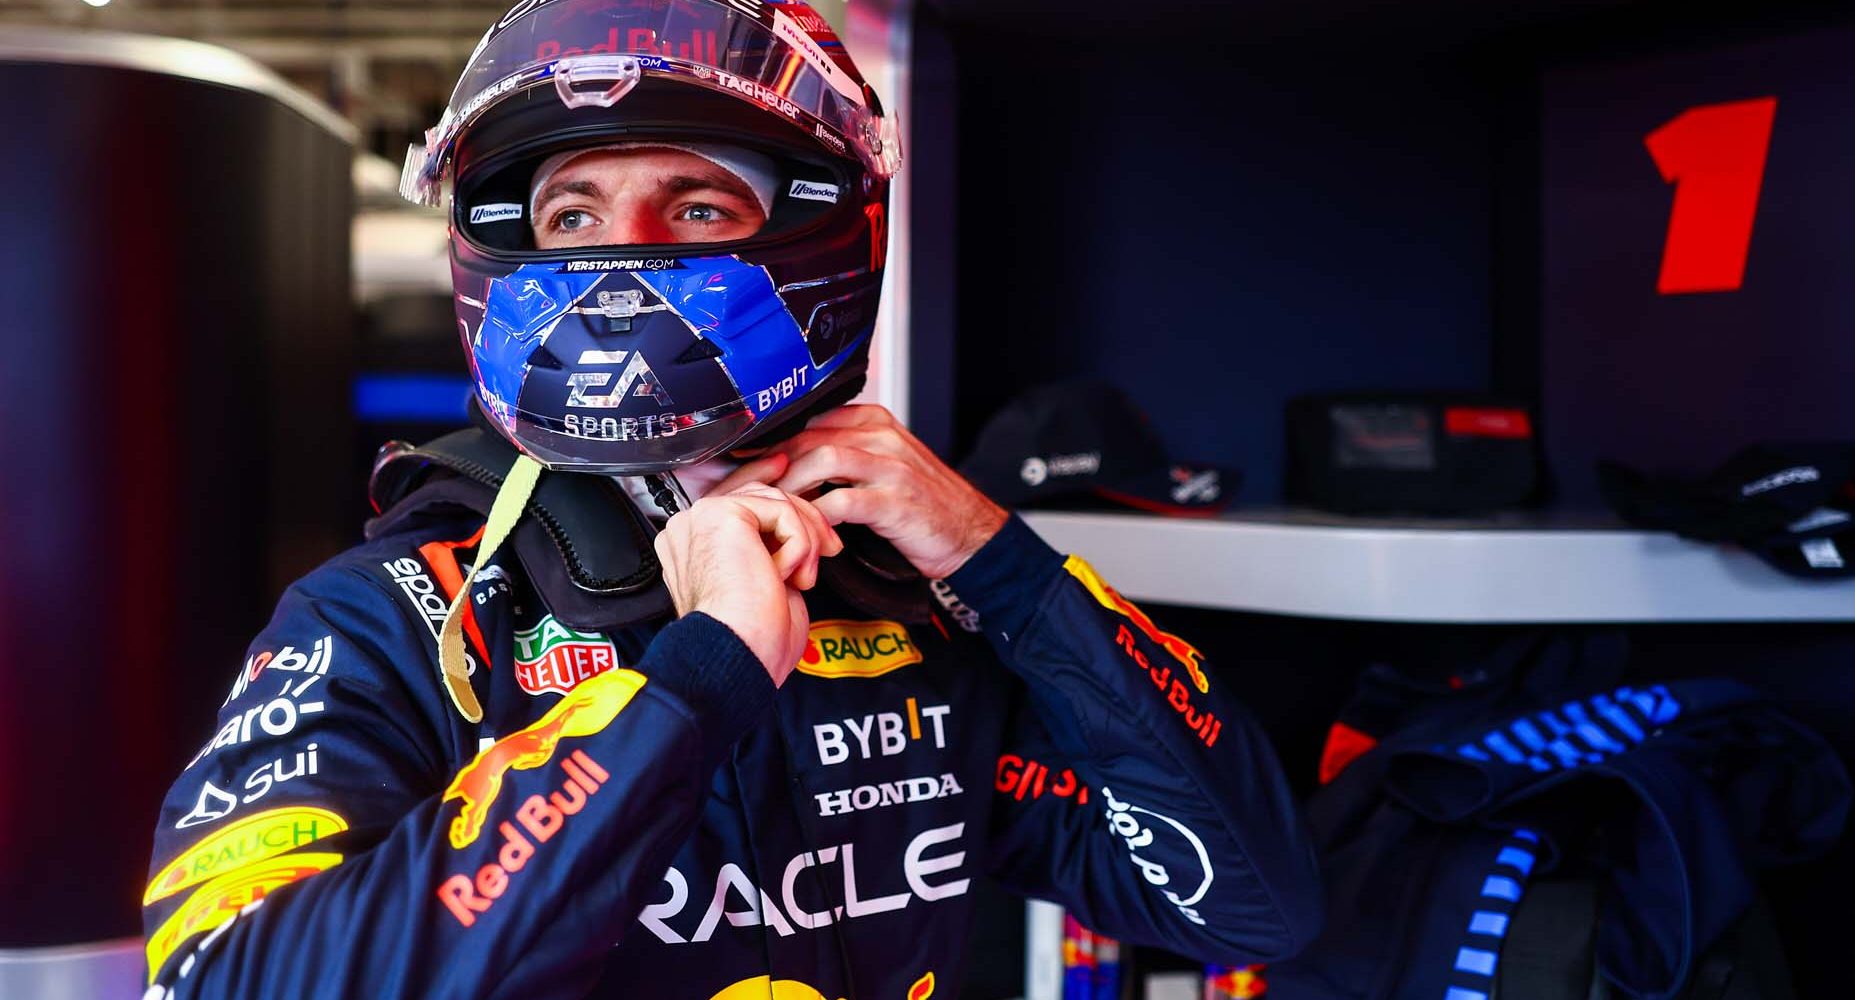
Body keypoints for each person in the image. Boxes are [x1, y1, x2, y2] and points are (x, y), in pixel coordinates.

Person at [140, 2, 1321, 997]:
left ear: (815, 233)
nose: (622, 256)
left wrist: (996, 560)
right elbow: (220, 975)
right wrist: (696, 680)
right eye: (573, 214)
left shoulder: (908, 608)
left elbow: (1250, 906)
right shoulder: (399, 616)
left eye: (698, 207)